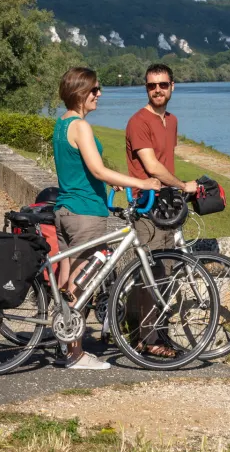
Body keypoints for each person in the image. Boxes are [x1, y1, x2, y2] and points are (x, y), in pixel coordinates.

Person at [53, 67, 160, 370]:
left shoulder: (61, 124)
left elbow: (80, 169)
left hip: (65, 210)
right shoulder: (81, 127)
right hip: (86, 214)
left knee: (66, 282)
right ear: (80, 93)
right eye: (95, 90)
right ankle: (74, 354)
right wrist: (139, 183)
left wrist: (106, 183)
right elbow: (97, 169)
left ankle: (66, 344)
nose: (99, 94)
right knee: (80, 286)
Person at [124, 63, 197, 357]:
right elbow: (152, 166)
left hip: (167, 206)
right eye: (152, 85)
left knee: (165, 272)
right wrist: (182, 185)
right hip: (147, 206)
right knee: (151, 273)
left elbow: (167, 159)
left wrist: (176, 191)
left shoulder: (172, 120)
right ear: (146, 88)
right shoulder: (138, 121)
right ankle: (147, 338)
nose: (157, 90)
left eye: (163, 85)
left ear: (172, 87)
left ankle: (154, 334)